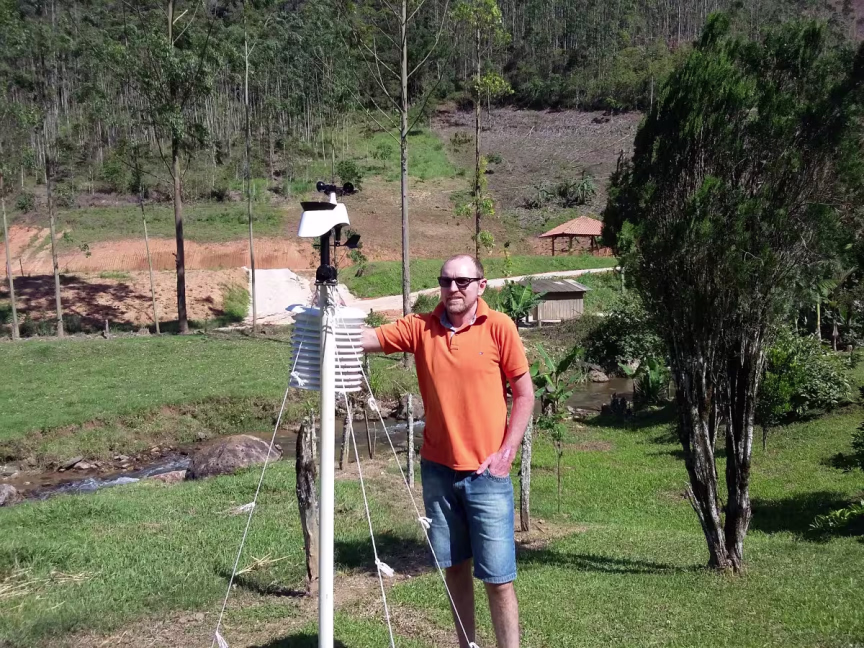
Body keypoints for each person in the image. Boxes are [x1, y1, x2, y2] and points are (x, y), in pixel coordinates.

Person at [361, 254, 534, 648]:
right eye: (445, 281)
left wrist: (506, 453)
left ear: (481, 285)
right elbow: (365, 339)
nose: (453, 288)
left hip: (488, 476)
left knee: (499, 579)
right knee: (454, 570)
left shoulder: (499, 327)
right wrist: (329, 311)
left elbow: (525, 394)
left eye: (462, 281)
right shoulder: (421, 327)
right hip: (439, 473)